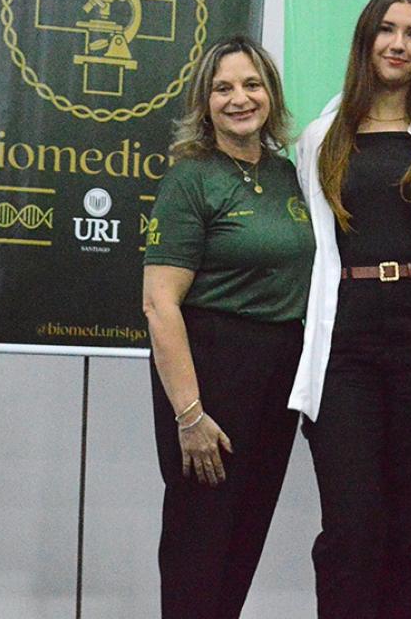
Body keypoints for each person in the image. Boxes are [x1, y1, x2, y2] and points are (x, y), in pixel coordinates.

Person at [288, 0, 411, 619]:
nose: (399, 44)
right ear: (366, 40)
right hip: (344, 357)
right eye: (388, 30)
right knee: (352, 532)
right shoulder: (321, 138)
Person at [142, 36, 315, 619]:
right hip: (212, 369)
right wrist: (190, 415)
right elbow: (159, 304)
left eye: (251, 85)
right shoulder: (191, 179)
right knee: (199, 538)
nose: (239, 99)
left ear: (271, 94)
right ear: (205, 102)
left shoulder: (288, 174)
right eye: (223, 88)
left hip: (279, 368)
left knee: (245, 533)